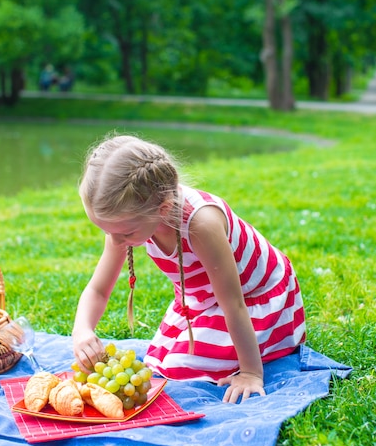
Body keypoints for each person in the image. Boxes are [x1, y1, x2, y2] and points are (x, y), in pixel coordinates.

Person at [72, 134, 306, 403]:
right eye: (106, 231)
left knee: (181, 368)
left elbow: (233, 303)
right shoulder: (124, 224)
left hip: (256, 298)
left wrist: (251, 373)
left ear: (163, 209)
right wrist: (82, 330)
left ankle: (264, 346)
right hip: (200, 300)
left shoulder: (201, 224)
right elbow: (99, 289)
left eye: (124, 233)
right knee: (159, 363)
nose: (114, 240)